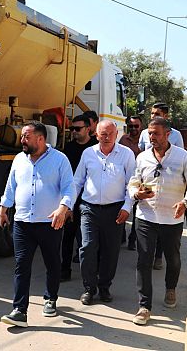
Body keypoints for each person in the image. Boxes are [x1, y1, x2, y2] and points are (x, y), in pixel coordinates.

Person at [128, 117, 187, 326]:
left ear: (168, 134)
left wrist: (186, 202)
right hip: (146, 216)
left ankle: (171, 289)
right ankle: (144, 306)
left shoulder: (182, 157)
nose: (152, 138)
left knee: (173, 258)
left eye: (156, 134)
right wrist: (137, 194)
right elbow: (133, 183)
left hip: (172, 218)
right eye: (150, 134)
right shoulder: (142, 158)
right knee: (144, 260)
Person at [0, 121, 72, 327]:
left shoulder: (60, 160)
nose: (22, 140)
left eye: (26, 136)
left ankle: (50, 298)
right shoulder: (19, 159)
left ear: (40, 139)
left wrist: (63, 208)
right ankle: (19, 310)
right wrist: (4, 207)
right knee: (21, 265)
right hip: (22, 221)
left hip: (49, 222)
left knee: (52, 262)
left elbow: (69, 187)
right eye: (22, 136)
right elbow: (11, 185)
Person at [69, 120, 136, 305]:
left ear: (116, 135)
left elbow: (132, 183)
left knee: (110, 251)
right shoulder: (88, 153)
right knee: (87, 248)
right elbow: (77, 181)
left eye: (110, 134)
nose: (106, 138)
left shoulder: (126, 154)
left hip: (115, 210)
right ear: (96, 135)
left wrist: (126, 207)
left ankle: (104, 287)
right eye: (102, 134)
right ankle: (89, 288)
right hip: (89, 209)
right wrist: (68, 205)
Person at [137, 103, 184, 270]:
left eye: (156, 113)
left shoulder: (176, 135)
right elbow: (142, 153)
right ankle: (147, 256)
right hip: (149, 178)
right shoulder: (144, 133)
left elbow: (180, 158)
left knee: (164, 221)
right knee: (149, 217)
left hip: (168, 180)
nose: (152, 115)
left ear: (165, 116)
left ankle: (158, 255)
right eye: (151, 113)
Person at [60, 114, 98, 280]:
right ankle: (64, 270)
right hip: (71, 198)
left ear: (88, 129)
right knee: (67, 235)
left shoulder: (95, 148)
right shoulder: (68, 148)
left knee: (89, 241)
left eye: (78, 128)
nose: (74, 132)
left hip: (90, 198)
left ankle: (91, 274)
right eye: (72, 129)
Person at [119, 115, 143, 250]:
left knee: (137, 212)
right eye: (131, 126)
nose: (133, 128)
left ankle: (133, 239)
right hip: (125, 180)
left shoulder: (145, 140)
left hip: (141, 181)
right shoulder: (123, 140)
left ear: (141, 126)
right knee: (123, 207)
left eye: (136, 126)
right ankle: (120, 235)